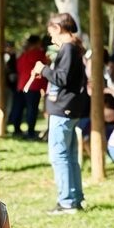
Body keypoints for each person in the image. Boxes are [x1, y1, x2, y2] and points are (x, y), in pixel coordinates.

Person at [31, 13, 89, 214]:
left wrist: (44, 69)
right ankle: (74, 198)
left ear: (57, 28)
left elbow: (62, 78)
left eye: (50, 33)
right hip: (70, 108)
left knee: (60, 156)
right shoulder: (74, 48)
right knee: (70, 155)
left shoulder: (69, 48)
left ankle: (66, 202)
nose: (51, 39)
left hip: (63, 108)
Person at [12, 34, 49, 139]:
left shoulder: (23, 55)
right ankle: (30, 132)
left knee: (18, 108)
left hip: (21, 85)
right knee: (32, 109)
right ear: (37, 43)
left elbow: (18, 68)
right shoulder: (37, 53)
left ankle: (17, 130)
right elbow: (44, 65)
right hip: (32, 85)